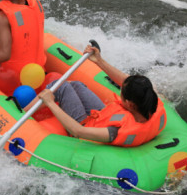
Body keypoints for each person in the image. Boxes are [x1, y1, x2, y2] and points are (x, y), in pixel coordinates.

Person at [27, 45, 167, 147]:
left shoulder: (116, 131)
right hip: (101, 116)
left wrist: (50, 102)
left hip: (84, 125)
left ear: (130, 104)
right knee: (76, 85)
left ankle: (21, 111)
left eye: (122, 93)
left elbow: (78, 131)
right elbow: (126, 81)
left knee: (60, 86)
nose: (120, 90)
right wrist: (99, 61)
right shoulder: (150, 100)